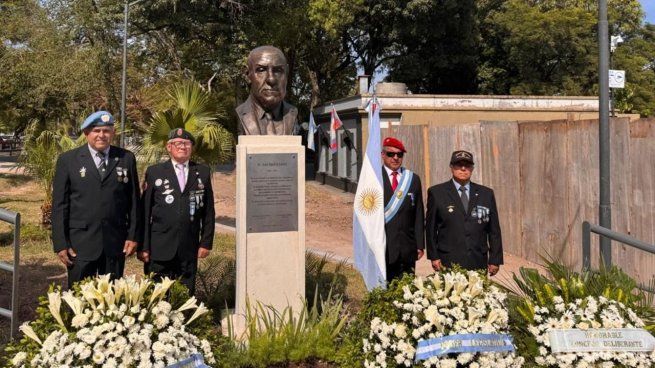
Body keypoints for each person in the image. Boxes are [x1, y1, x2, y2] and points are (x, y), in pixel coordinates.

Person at [51, 111, 141, 288]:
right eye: (96, 130)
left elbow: (134, 201)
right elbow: (60, 205)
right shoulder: (68, 160)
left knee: (112, 300)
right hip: (80, 243)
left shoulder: (126, 158)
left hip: (115, 242)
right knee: (79, 298)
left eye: (106, 131)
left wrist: (133, 236)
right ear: (86, 133)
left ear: (113, 133)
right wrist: (61, 243)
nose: (101, 135)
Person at [139, 128, 215, 294]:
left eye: (187, 143)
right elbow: (144, 212)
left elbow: (209, 211)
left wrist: (206, 242)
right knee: (157, 296)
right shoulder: (155, 172)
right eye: (178, 143)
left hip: (188, 246)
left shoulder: (202, 172)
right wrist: (143, 246)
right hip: (159, 246)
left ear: (191, 148)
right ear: (169, 147)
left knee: (185, 295)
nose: (182, 147)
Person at [425, 150, 503, 275]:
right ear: (451, 167)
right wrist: (434, 256)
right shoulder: (437, 193)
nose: (463, 168)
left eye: (467, 165)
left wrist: (495, 259)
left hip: (478, 259)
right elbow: (431, 229)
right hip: (448, 259)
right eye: (458, 164)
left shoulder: (486, 194)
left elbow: (494, 230)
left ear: (472, 168)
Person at [381, 137, 425, 282]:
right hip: (383, 246)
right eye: (390, 154)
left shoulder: (413, 179)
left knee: (407, 292)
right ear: (383, 155)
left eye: (399, 155)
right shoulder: (375, 178)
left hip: (407, 247)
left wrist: (419, 244)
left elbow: (418, 213)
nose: (395, 158)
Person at [236, 45, 299, 135]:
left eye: (278, 70)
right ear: (247, 75)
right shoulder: (239, 114)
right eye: (261, 70)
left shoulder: (292, 113)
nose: (271, 79)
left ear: (287, 73)